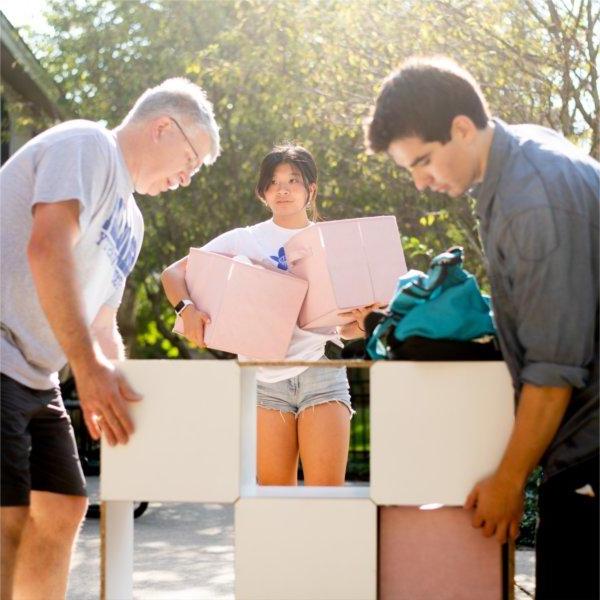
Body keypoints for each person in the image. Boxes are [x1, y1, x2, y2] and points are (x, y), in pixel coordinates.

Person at [366, 56, 598, 600]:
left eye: (423, 161)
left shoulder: (529, 201)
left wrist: (509, 480)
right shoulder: (523, 156)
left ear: (462, 128)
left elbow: (554, 368)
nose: (422, 182)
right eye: (410, 171)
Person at [0, 77, 220, 599]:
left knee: (62, 505)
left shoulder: (132, 218)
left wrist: (122, 396)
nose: (187, 178)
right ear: (163, 128)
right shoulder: (87, 145)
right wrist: (87, 366)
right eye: (192, 161)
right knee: (8, 514)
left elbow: (103, 324)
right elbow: (46, 247)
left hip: (36, 373)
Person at [162, 144, 373, 486]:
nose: (283, 189)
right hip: (265, 384)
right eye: (274, 182)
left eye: (293, 180)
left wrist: (364, 323)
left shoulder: (332, 243)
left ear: (311, 189)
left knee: (326, 499)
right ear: (263, 192)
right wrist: (187, 311)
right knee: (277, 503)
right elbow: (172, 274)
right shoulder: (243, 239)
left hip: (321, 376)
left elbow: (343, 330)